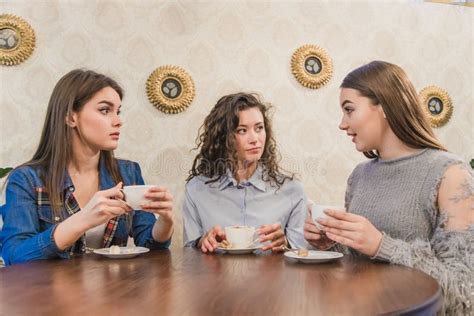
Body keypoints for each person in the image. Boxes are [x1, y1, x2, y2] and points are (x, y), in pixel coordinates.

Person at [304, 61, 473, 314]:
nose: (342, 123)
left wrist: (381, 245)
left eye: (349, 110)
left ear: (383, 106)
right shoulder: (360, 176)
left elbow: (463, 292)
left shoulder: (451, 174)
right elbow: (361, 263)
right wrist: (331, 242)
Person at [0, 69, 174, 265]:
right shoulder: (26, 179)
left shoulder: (128, 172)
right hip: (50, 294)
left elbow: (150, 244)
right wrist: (83, 220)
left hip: (115, 291)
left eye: (118, 111)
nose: (118, 121)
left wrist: (165, 221)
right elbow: (14, 256)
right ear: (70, 117)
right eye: (105, 110)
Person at [183, 92, 307, 253]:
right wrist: (202, 242)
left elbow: (302, 253)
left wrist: (285, 243)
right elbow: (188, 253)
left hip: (272, 277)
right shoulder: (196, 189)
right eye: (242, 130)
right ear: (223, 137)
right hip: (215, 277)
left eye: (259, 128)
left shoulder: (292, 190)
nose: (254, 138)